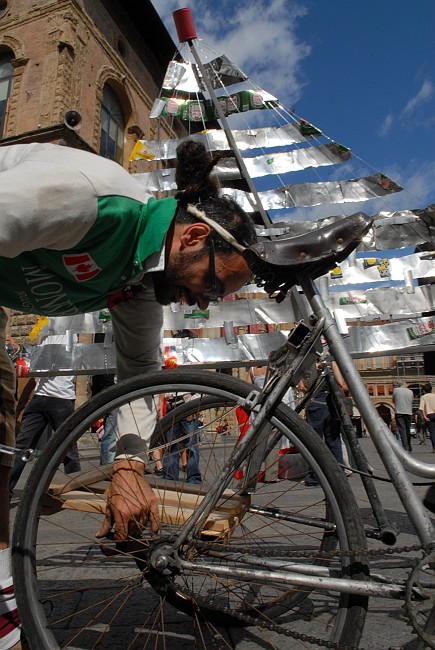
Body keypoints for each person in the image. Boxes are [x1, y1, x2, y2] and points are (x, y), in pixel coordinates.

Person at [0, 139, 256, 647]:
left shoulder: (141, 282)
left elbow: (138, 373)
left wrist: (129, 468)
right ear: (194, 236)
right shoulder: (89, 201)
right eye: (211, 286)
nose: (202, 304)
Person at [9, 334, 81, 497]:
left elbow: (50, 359)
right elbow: (35, 360)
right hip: (39, 396)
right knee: (22, 444)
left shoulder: (68, 334)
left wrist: (24, 350)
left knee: (68, 449)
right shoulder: (45, 334)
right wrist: (19, 349)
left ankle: (77, 487)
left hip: (61, 398)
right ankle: (6, 487)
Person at [392, 380, 414, 452]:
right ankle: (409, 445)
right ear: (405, 384)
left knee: (402, 430)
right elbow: (412, 400)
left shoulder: (396, 390)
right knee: (408, 429)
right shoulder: (410, 391)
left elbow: (393, 401)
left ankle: (405, 447)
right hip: (408, 412)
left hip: (399, 412)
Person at [419, 383, 435, 452]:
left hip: (430, 415)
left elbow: (421, 409)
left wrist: (424, 417)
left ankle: (434, 448)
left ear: (424, 390)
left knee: (432, 432)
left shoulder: (423, 397)